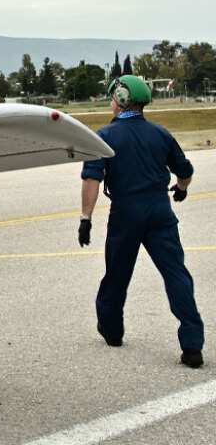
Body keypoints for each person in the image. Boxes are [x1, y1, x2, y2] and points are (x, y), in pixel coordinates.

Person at [78, 75, 202, 368]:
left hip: (126, 214)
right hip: (160, 211)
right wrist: (181, 190)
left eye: (111, 98)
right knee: (176, 275)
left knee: (117, 274)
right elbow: (184, 170)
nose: (110, 103)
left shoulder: (105, 136)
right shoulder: (161, 134)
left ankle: (112, 330)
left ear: (120, 99)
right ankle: (193, 344)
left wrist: (86, 218)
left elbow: (91, 178)